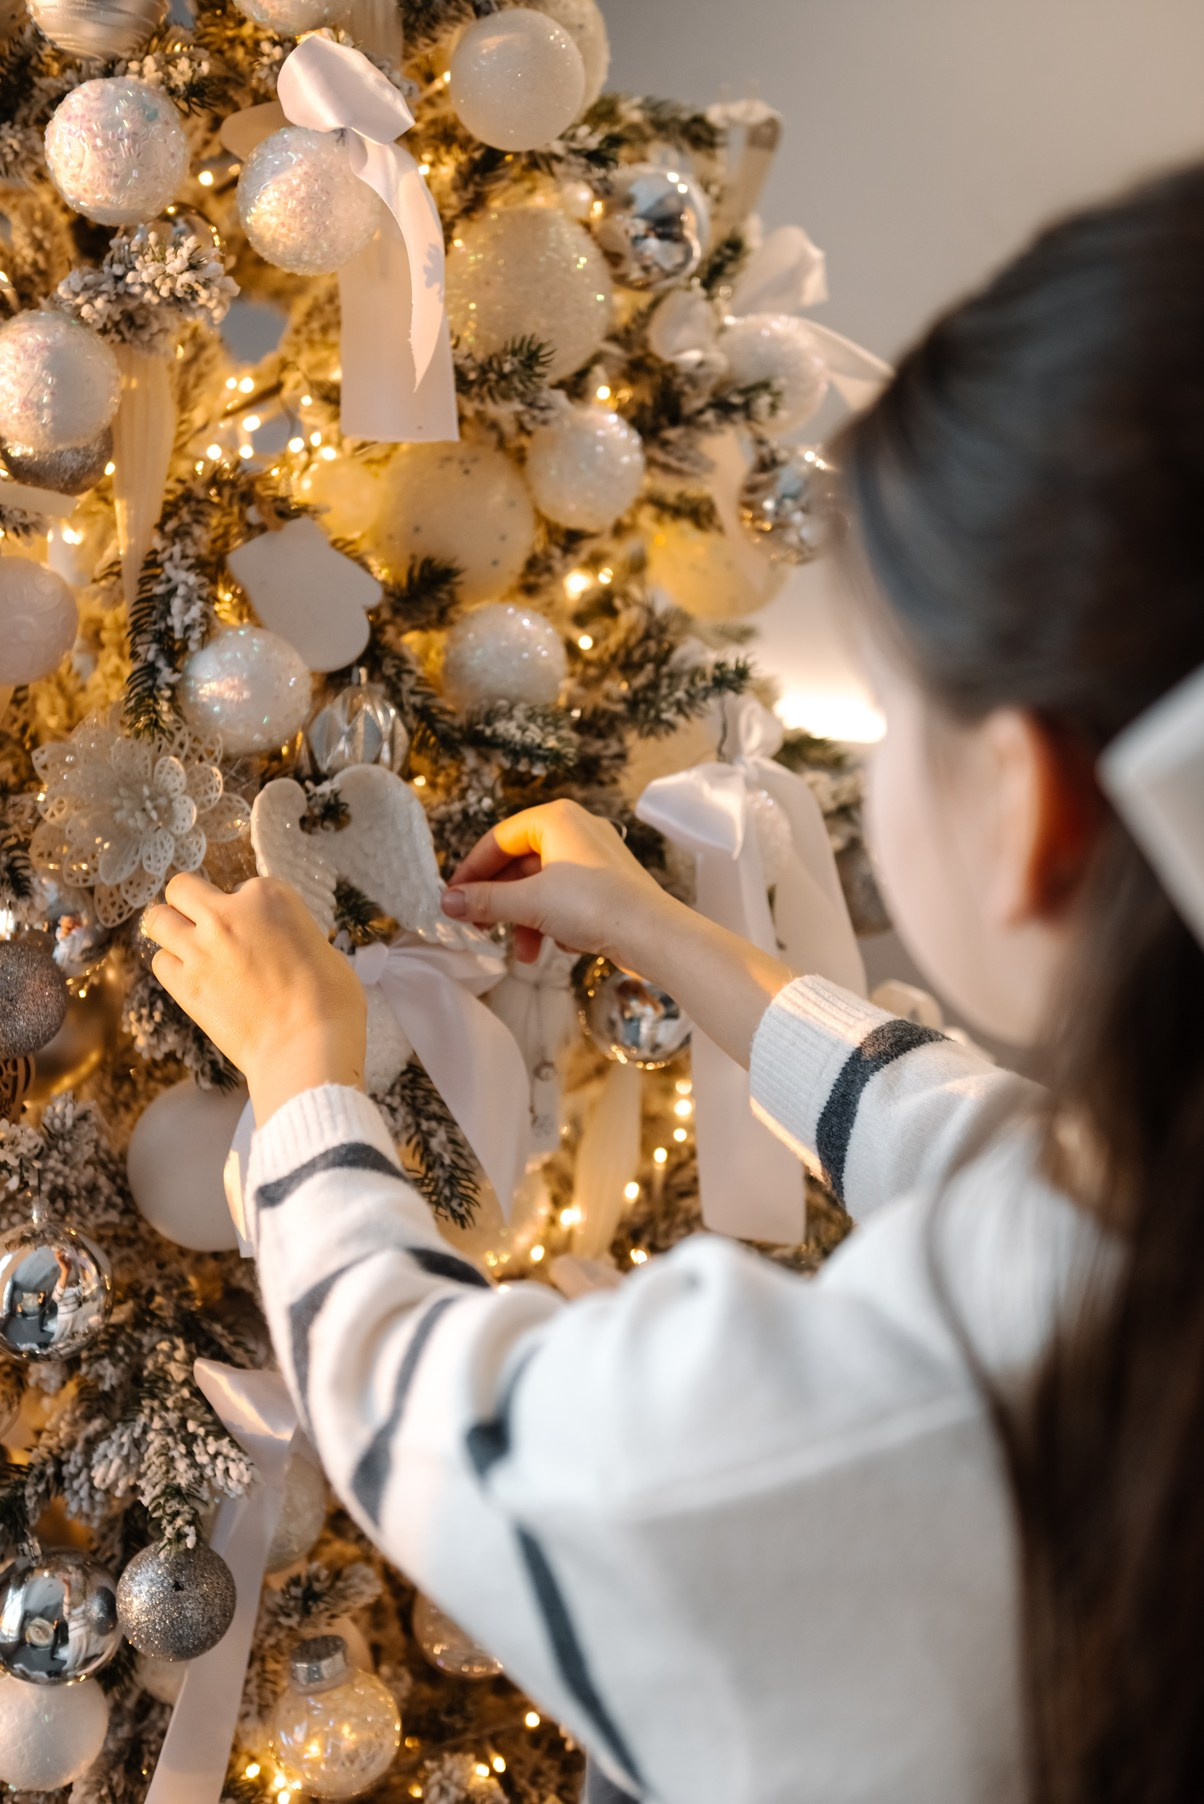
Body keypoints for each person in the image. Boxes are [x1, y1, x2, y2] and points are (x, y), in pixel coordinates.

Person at [143, 160, 1204, 1804]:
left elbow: (442, 1425)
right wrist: (666, 936)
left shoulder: (893, 1422)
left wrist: (301, 1073)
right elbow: (989, 1149)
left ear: (1031, 809)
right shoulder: (1145, 1209)